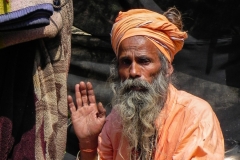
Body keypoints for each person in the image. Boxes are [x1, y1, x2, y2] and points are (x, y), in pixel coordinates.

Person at [68, 7, 224, 160]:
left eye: (144, 61)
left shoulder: (195, 115)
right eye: (126, 62)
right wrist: (88, 143)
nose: (133, 71)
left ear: (167, 68)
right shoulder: (116, 118)